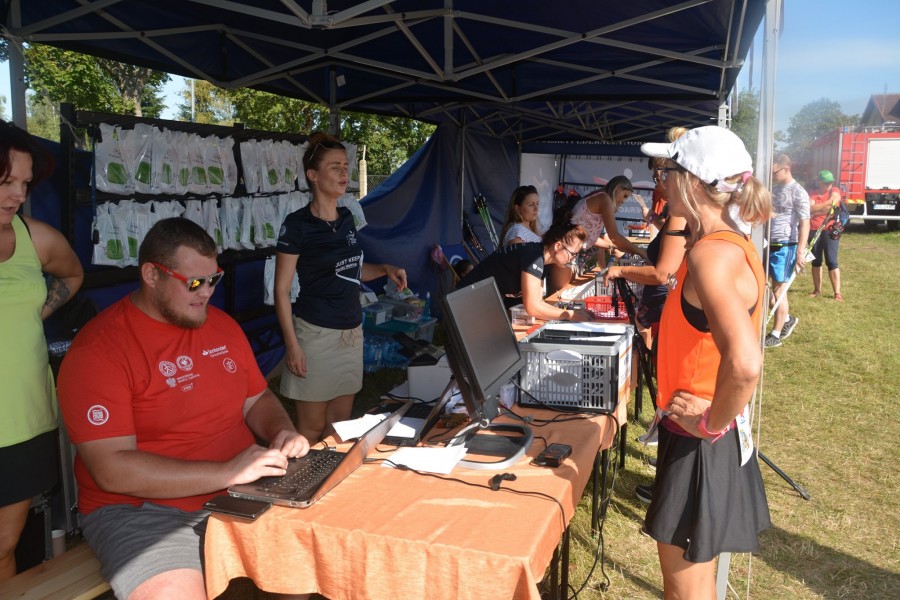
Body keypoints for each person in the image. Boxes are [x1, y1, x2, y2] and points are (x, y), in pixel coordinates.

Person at [57, 218, 309, 600]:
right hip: (143, 511)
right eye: (194, 283)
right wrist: (228, 471)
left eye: (214, 279)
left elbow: (256, 399)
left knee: (300, 565)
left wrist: (281, 432)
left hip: (241, 489)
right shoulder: (100, 350)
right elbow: (111, 470)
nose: (206, 292)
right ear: (151, 275)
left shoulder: (222, 326)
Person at [640, 126, 773, 598]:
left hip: (699, 441)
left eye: (668, 172)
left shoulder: (711, 256)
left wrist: (711, 422)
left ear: (692, 182)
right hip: (701, 436)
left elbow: (746, 363)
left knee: (685, 590)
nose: (662, 182)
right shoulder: (726, 244)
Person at [275, 132, 408, 443]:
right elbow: (281, 291)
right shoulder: (297, 225)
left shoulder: (347, 218)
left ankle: (328, 475)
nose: (344, 173)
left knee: (339, 427)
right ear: (313, 175)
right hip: (315, 335)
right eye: (335, 167)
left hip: (351, 334)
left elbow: (351, 270)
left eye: (346, 167)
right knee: (310, 430)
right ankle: (301, 474)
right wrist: (293, 346)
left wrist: (385, 269)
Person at [0, 121, 84, 583]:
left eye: (25, 183)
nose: (17, 195)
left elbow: (72, 275)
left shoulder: (36, 238)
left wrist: (40, 311)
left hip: (24, 421)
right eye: (5, 181)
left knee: (3, 547)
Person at [456, 213, 592, 322]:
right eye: (573, 254)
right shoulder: (534, 258)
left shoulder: (543, 261)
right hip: (464, 302)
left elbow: (538, 302)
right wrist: (569, 315)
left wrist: (569, 313)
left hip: (479, 304)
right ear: (557, 246)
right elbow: (533, 307)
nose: (573, 258)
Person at [764, 155, 810, 347]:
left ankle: (775, 334)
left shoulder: (799, 192)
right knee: (762, 286)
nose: (772, 176)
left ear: (786, 169)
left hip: (786, 245)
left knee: (778, 289)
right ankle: (787, 318)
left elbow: (805, 223)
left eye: (774, 172)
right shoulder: (773, 189)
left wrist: (800, 251)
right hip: (768, 243)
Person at [570, 175, 649, 260]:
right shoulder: (604, 199)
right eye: (625, 196)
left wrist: (617, 246)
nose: (623, 201)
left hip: (570, 247)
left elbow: (591, 237)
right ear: (618, 188)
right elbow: (614, 236)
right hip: (570, 248)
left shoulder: (598, 195)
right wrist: (641, 252)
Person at [808, 170, 844, 301]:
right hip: (814, 230)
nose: (829, 184)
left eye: (830, 182)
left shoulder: (834, 190)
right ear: (819, 182)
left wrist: (817, 208)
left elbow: (832, 205)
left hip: (830, 230)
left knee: (832, 261)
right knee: (816, 261)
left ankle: (837, 293)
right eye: (826, 182)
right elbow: (810, 209)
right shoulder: (812, 193)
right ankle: (817, 290)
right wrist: (827, 205)